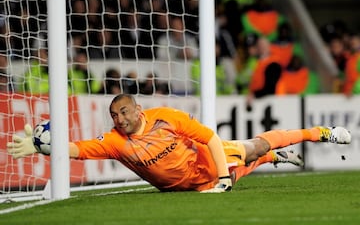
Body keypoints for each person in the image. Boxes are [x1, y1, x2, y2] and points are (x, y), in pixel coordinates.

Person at [7, 94, 351, 193]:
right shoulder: (115, 142)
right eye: (114, 115)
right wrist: (42, 147)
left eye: (124, 112)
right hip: (189, 187)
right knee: (250, 166)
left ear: (138, 109)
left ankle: (320, 132)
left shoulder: (167, 117)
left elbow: (211, 138)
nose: (119, 119)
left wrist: (222, 179)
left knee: (254, 148)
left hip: (205, 164)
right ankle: (274, 158)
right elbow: (78, 149)